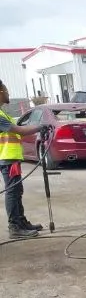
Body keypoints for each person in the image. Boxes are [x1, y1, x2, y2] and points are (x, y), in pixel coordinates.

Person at [0, 79, 49, 238]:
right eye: (6, 89)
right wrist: (40, 126)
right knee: (12, 191)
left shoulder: (2, 112)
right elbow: (19, 130)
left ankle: (20, 221)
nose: (8, 93)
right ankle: (15, 226)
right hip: (7, 158)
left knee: (17, 190)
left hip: (11, 157)